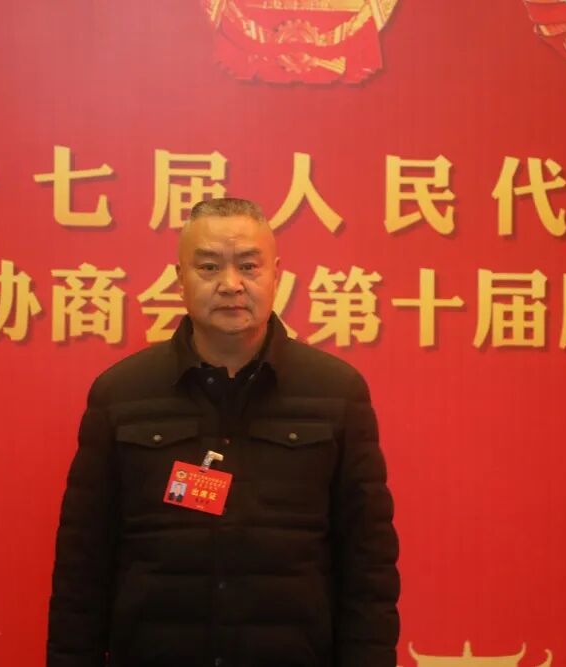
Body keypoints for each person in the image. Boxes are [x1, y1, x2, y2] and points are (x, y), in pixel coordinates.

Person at [47, 197, 399, 667]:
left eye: (248, 266)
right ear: (180, 279)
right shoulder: (122, 394)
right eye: (209, 266)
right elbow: (82, 565)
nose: (231, 284)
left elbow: (368, 566)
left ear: (276, 275)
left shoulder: (336, 393)